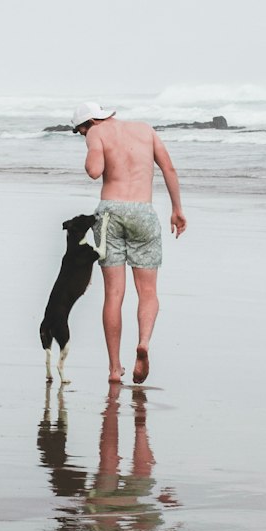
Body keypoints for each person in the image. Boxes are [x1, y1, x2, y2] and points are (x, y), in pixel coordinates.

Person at [69, 101, 186, 385]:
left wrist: (92, 151)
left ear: (89, 123)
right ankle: (143, 343)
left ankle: (113, 368)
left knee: (113, 294)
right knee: (148, 292)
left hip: (110, 212)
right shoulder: (145, 130)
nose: (82, 136)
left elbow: (95, 171)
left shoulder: (96, 134)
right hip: (143, 212)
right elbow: (169, 168)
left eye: (80, 131)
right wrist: (176, 209)